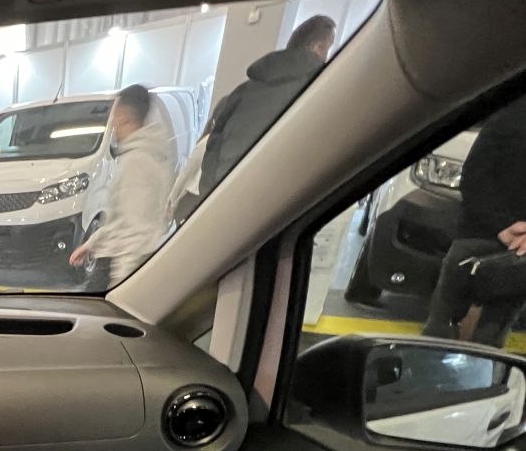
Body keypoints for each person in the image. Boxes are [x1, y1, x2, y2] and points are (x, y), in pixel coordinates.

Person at [422, 95, 526, 346]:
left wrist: (502, 226)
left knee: (441, 323)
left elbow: (472, 179)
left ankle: (427, 372)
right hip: (520, 252)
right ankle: (485, 379)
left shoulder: (507, 116)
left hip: (474, 238)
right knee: (493, 333)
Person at [199, 15, 336, 196]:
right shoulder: (317, 93)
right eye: (328, 49)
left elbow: (213, 146)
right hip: (269, 203)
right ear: (318, 47)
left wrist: (208, 196)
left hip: (224, 195)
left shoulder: (244, 91)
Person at [68, 85, 174, 289]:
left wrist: (119, 286)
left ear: (123, 116)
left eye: (113, 114)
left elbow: (137, 232)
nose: (112, 121)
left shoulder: (138, 162)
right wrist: (91, 245)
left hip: (119, 268)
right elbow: (123, 219)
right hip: (115, 259)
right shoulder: (151, 154)